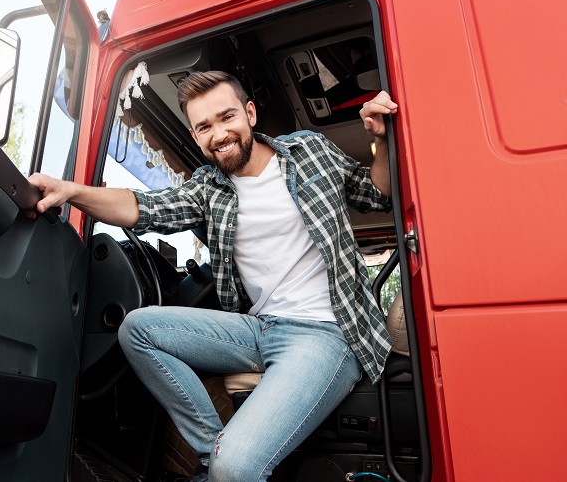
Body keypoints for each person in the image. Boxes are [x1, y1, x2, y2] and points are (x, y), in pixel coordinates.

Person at [29, 71, 398, 481]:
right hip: (259, 328)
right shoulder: (208, 187)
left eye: (227, 118)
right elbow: (142, 207)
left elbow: (376, 192)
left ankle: (225, 467)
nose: (219, 134)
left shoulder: (308, 150)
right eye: (205, 127)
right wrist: (71, 191)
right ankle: (213, 452)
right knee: (137, 329)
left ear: (250, 114)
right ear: (195, 134)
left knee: (236, 466)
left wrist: (381, 139)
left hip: (327, 333)